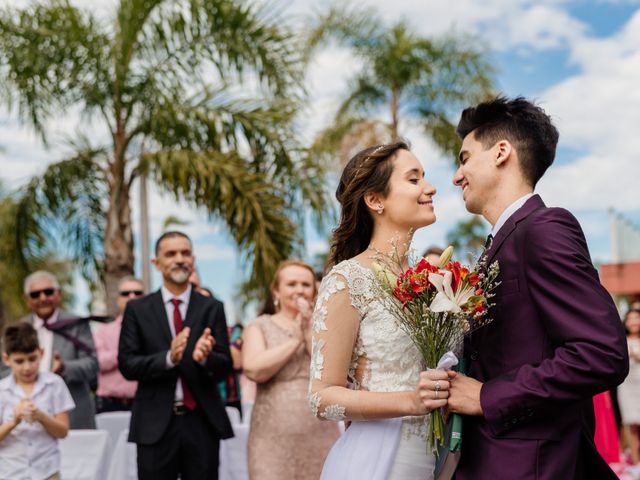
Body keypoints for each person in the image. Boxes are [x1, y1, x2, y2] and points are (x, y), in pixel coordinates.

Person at [445, 96, 629, 479]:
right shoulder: (500, 243)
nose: (456, 176)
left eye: (464, 158)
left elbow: (601, 353)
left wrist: (486, 396)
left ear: (501, 152)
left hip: (531, 465)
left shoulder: (544, 228)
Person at [308, 142, 451, 479]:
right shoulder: (348, 280)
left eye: (425, 178)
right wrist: (411, 402)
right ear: (375, 200)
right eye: (413, 180)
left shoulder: (433, 282)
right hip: (379, 461)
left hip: (439, 460)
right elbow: (321, 398)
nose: (430, 188)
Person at [118, 231, 233, 480]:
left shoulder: (213, 307)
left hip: (202, 423)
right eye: (171, 254)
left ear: (193, 259)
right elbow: (127, 364)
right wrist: (168, 358)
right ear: (156, 263)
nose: (179, 259)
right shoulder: (137, 310)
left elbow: (225, 366)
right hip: (154, 425)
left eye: (185, 253)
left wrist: (205, 357)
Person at [243, 260, 339, 479]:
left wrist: (308, 332)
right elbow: (254, 369)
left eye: (305, 285)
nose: (299, 290)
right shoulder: (260, 325)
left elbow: (333, 370)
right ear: (277, 291)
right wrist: (295, 339)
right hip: (271, 437)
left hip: (320, 433)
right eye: (291, 284)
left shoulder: (327, 325)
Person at [20, 270, 98, 429]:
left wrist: (65, 368)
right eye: (35, 294)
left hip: (71, 415)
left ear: (59, 294)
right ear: (27, 299)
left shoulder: (76, 324)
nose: (43, 298)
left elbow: (93, 364)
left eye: (48, 292)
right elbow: (4, 369)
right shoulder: (20, 328)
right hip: (28, 416)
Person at [0, 322, 74, 480]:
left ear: (41, 353)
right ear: (7, 359)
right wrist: (14, 421)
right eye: (19, 361)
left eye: (32, 359)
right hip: (11, 472)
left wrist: (41, 417)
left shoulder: (55, 384)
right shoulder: (1, 390)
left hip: (47, 471)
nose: (27, 367)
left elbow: (63, 431)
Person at [94, 276, 144, 413]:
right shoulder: (104, 330)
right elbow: (97, 362)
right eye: (126, 293)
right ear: (118, 299)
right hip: (109, 404)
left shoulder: (154, 329)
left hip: (144, 403)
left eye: (138, 293)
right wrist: (125, 353)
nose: (132, 296)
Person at [618, 308, 640, 464]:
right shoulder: (621, 341)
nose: (633, 321)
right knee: (631, 424)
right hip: (627, 387)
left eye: (637, 318)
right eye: (630, 318)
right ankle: (636, 462)